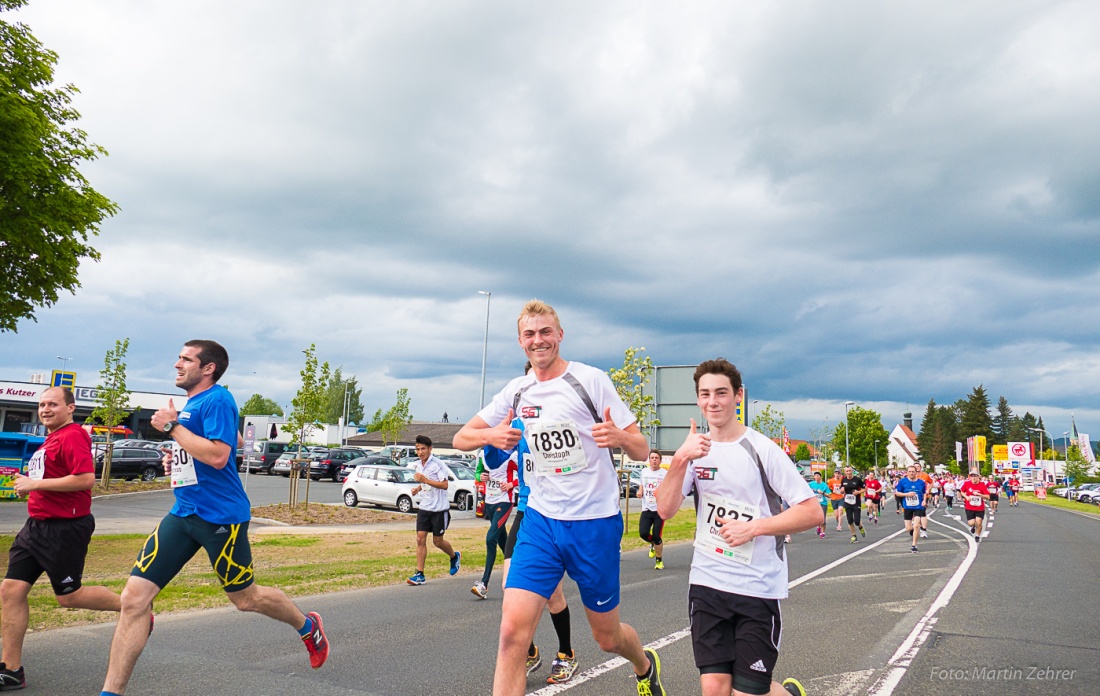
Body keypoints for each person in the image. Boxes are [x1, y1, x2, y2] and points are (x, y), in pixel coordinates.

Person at [453, 300, 662, 696]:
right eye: (530, 334)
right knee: (512, 633)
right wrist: (490, 436)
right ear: (520, 341)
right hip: (541, 523)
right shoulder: (517, 390)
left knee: (607, 636)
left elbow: (640, 445)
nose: (538, 340)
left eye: (545, 332)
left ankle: (644, 664)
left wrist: (619, 438)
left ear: (560, 335)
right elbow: (463, 437)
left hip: (594, 524)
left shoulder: (591, 380)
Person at [100, 341, 328, 696]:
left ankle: (307, 625)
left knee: (246, 599)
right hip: (183, 513)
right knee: (133, 600)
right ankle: (110, 693)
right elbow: (231, 440)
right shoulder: (197, 403)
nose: (177, 363)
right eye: (178, 357)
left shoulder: (218, 398)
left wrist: (173, 429)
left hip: (221, 517)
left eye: (186, 359)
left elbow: (221, 456)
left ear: (208, 368)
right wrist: (175, 456)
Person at [655, 359, 819, 696]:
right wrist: (681, 459)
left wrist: (755, 528)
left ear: (738, 396)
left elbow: (812, 512)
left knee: (748, 692)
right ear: (698, 400)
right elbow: (664, 508)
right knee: (715, 687)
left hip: (756, 587)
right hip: (707, 582)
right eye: (705, 394)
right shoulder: (694, 451)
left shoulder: (763, 450)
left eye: (720, 393)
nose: (712, 402)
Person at [1, 388, 125, 690]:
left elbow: (85, 479)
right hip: (36, 527)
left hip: (65, 529)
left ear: (70, 408)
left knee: (69, 597)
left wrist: (36, 483)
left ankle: (132, 608)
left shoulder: (72, 435)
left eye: (52, 404)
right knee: (10, 590)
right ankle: (10, 669)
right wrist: (28, 486)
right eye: (42, 404)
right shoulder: (52, 437)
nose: (45, 409)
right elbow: (48, 479)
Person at [407, 435, 461, 585]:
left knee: (437, 542)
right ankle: (420, 574)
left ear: (430, 449)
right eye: (417, 449)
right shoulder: (418, 464)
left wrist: (424, 480)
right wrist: (418, 488)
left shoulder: (438, 464)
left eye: (423, 449)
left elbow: (444, 485)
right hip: (425, 507)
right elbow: (426, 484)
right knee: (420, 539)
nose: (420, 452)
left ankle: (454, 556)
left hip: (439, 509)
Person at [472, 437, 518, 599]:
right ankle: (520, 573)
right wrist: (480, 477)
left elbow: (527, 475)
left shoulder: (512, 455)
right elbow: (478, 473)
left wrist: (511, 484)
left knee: (490, 538)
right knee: (503, 541)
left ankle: (484, 584)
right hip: (490, 501)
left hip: (504, 501)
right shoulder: (484, 454)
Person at [637, 450, 668, 569]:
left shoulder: (664, 474)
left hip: (659, 510)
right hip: (646, 508)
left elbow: (668, 489)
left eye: (656, 458)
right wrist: (640, 492)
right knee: (643, 533)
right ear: (649, 460)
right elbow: (642, 485)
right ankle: (652, 544)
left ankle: (659, 561)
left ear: (660, 460)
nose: (654, 460)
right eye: (652, 458)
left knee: (657, 536)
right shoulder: (644, 472)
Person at [894, 466, 928, 553]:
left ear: (916, 472)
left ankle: (914, 545)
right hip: (907, 507)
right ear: (907, 472)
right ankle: (912, 530)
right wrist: (907, 494)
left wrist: (924, 501)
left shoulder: (921, 482)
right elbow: (897, 493)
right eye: (910, 471)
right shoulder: (903, 482)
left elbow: (924, 493)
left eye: (913, 471)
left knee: (916, 525)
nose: (912, 473)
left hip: (918, 507)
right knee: (908, 528)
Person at [959, 471, 990, 543]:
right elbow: (962, 491)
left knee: (979, 522)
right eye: (972, 476)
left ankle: (977, 536)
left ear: (978, 477)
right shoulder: (967, 483)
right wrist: (966, 497)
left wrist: (980, 495)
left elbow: (988, 496)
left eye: (975, 476)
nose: (973, 478)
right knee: (971, 523)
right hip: (969, 507)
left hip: (979, 507)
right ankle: (972, 527)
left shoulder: (982, 485)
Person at [839, 466, 866, 543]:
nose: (848, 473)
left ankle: (860, 527)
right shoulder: (843, 480)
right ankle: (854, 536)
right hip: (847, 502)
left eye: (850, 471)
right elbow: (842, 490)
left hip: (856, 502)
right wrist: (841, 491)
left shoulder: (857, 480)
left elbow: (864, 488)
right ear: (845, 472)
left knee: (857, 521)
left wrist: (858, 492)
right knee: (850, 520)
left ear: (852, 471)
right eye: (847, 471)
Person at [807, 472, 830, 538]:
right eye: (815, 476)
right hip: (814, 503)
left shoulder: (824, 485)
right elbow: (805, 492)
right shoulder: (811, 484)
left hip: (823, 503)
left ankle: (823, 532)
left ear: (820, 477)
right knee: (815, 518)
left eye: (818, 475)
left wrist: (823, 493)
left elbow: (829, 495)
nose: (816, 477)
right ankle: (818, 526)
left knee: (823, 518)